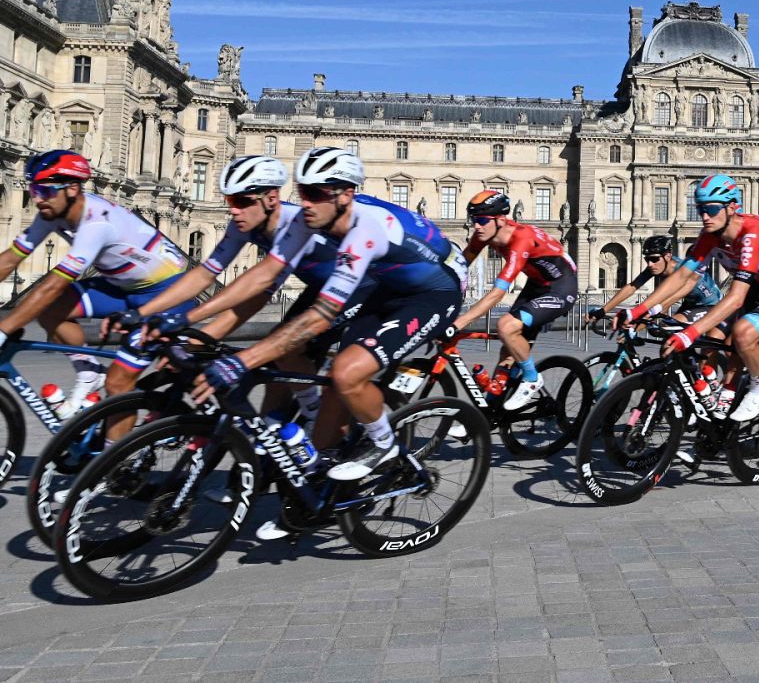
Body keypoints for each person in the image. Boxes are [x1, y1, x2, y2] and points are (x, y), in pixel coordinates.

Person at [192, 147, 463, 484]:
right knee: (332, 375)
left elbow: (321, 315)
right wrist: (184, 319)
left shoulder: (365, 229)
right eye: (303, 191)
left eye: (316, 194)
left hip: (435, 291)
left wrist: (242, 361)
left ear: (346, 195)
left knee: (349, 372)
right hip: (384, 288)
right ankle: (315, 486)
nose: (305, 202)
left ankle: (384, 444)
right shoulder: (310, 220)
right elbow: (264, 277)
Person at [102, 155, 319, 439]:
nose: (234, 211)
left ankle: (319, 420)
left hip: (354, 291)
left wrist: (185, 323)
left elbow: (258, 289)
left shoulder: (294, 225)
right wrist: (145, 315)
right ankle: (273, 440)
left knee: (285, 349)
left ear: (271, 198)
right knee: (276, 366)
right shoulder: (245, 225)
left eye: (241, 201)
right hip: (319, 288)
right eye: (230, 202)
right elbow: (204, 275)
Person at [0, 150, 192, 414]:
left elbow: (53, 283)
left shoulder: (96, 223)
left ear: (72, 188)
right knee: (52, 306)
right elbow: (10, 259)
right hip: (122, 286)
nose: (36, 199)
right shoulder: (52, 214)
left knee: (118, 384)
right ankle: (88, 371)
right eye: (33, 190)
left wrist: (3, 330)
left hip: (165, 293)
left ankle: (117, 453)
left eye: (44, 191)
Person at [623, 175, 759, 422]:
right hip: (757, 286)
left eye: (711, 209)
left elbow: (736, 297)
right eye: (700, 209)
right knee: (713, 339)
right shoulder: (710, 235)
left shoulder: (752, 233)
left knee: (742, 333)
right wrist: (637, 311)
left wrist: (688, 334)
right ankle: (724, 402)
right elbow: (682, 277)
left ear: (732, 207)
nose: (704, 216)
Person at [452, 190, 577, 411]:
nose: (476, 227)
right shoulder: (484, 235)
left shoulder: (521, 240)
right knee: (507, 351)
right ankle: (488, 413)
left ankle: (531, 378)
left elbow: (497, 294)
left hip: (561, 288)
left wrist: (460, 322)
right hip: (537, 285)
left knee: (505, 326)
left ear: (500, 220)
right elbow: (458, 270)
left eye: (481, 220)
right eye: (473, 220)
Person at [594, 234, 722, 325]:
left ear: (667, 256)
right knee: (666, 345)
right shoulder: (657, 266)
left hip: (711, 304)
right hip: (691, 304)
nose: (650, 264)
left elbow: (668, 301)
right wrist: (603, 310)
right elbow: (632, 286)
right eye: (647, 259)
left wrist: (637, 323)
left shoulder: (681, 271)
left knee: (671, 327)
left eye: (654, 259)